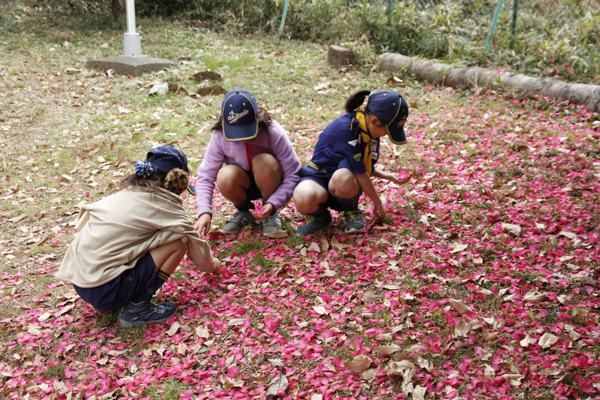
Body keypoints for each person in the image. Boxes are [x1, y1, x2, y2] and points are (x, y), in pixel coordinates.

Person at [56, 145, 221, 328]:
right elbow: (196, 246)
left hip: (82, 283)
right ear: (177, 181)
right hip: (104, 289)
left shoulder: (127, 194)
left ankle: (118, 295)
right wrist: (215, 266)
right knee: (179, 240)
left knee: (158, 236)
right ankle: (137, 308)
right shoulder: (165, 206)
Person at [293, 90, 410, 236]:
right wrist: (378, 202)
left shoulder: (369, 132)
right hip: (318, 178)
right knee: (303, 198)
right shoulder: (346, 129)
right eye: (388, 131)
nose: (386, 135)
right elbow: (360, 173)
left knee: (344, 176)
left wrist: (389, 176)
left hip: (342, 187)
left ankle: (351, 210)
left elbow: (362, 167)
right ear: (374, 121)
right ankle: (321, 217)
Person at [193, 89, 301, 237]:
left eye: (247, 131)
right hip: (243, 182)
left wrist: (274, 202)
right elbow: (206, 176)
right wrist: (204, 212)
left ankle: (270, 214)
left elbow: (293, 173)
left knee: (263, 161)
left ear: (257, 119)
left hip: (270, 179)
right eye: (235, 133)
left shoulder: (272, 131)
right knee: (225, 175)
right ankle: (245, 211)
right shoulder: (219, 135)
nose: (242, 139)